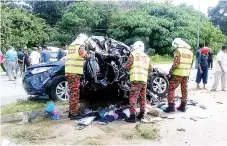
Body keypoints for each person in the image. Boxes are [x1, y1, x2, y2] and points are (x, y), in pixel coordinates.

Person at [123, 41, 152, 123]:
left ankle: (132, 116)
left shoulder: (133, 54)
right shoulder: (146, 57)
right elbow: (150, 69)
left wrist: (123, 67)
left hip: (136, 80)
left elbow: (127, 65)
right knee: (142, 97)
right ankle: (141, 114)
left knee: (133, 98)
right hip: (144, 80)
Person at [164, 38, 193, 113]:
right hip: (186, 74)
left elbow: (176, 64)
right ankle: (183, 106)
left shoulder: (178, 51)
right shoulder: (190, 52)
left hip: (177, 73)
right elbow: (191, 64)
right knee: (184, 90)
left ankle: (171, 107)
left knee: (171, 89)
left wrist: (170, 72)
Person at [65, 33, 89, 120]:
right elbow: (83, 55)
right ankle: (73, 114)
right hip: (74, 73)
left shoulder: (72, 45)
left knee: (72, 93)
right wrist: (89, 55)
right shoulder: (80, 45)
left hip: (69, 71)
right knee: (75, 94)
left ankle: (71, 112)